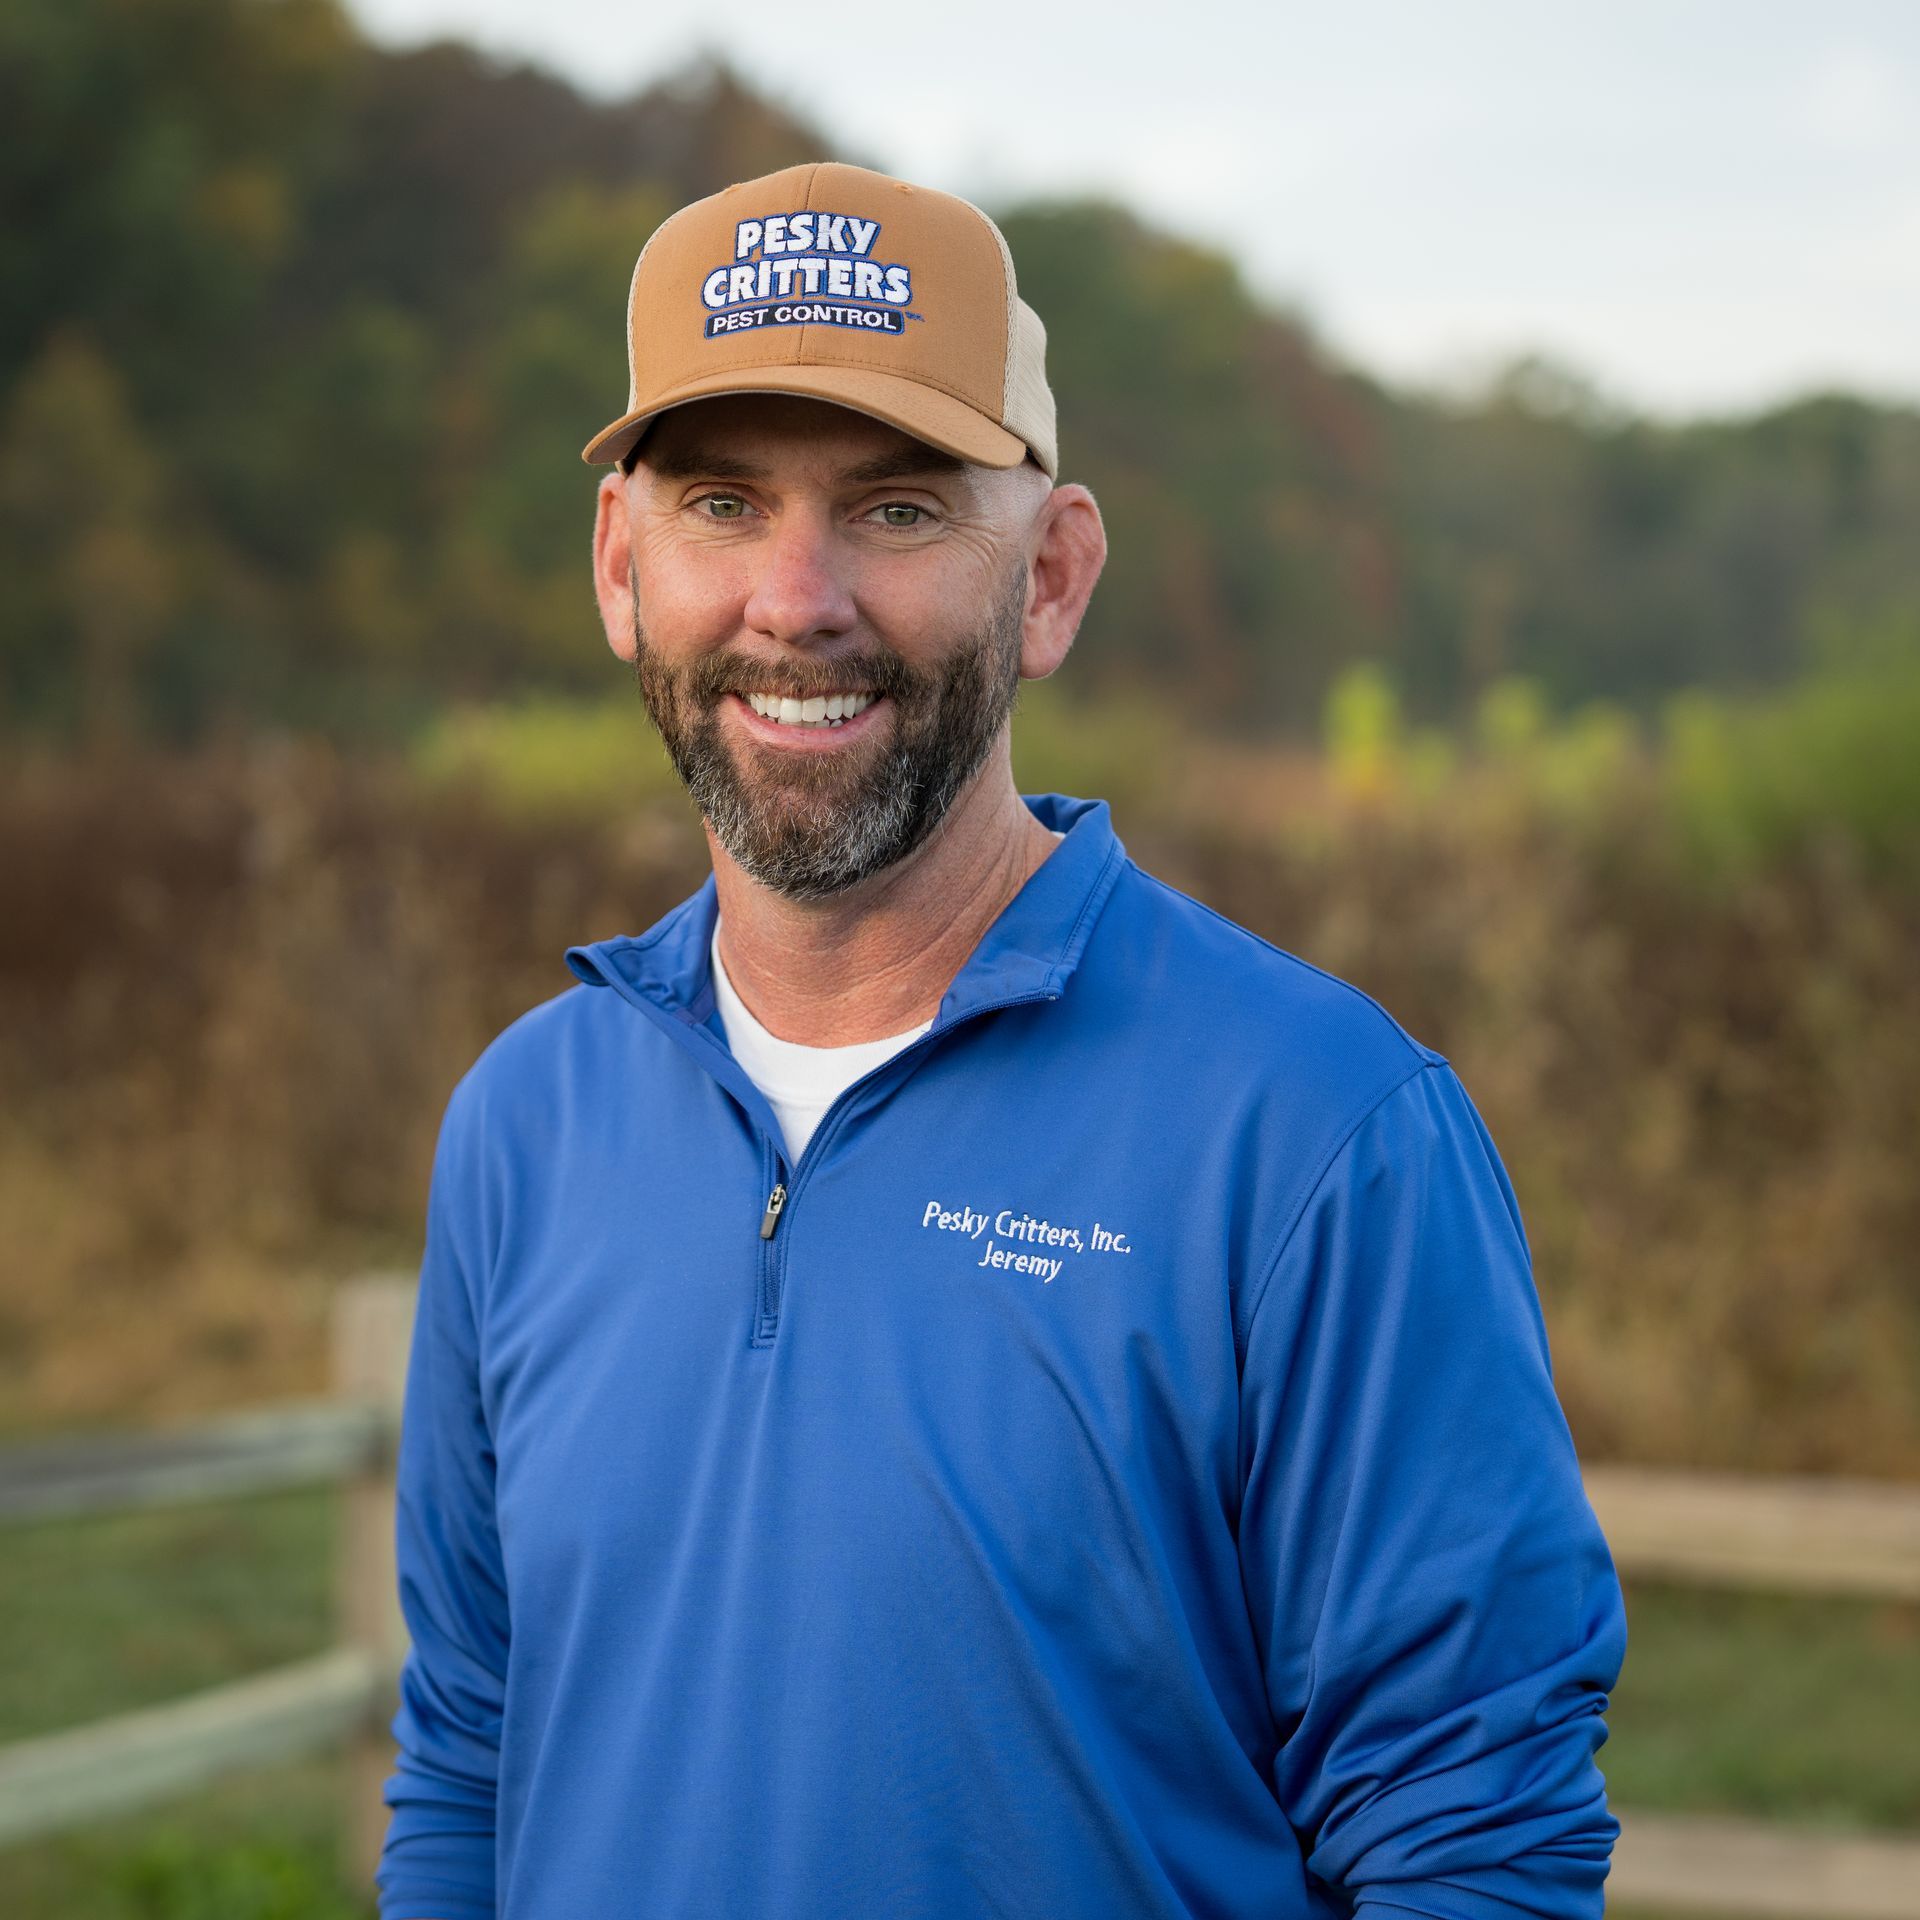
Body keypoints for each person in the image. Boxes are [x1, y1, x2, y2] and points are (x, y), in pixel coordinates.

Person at [375, 161, 1626, 1920]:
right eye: (723, 503)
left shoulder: (1319, 1138)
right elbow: (472, 1752)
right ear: (618, 568)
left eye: (896, 512)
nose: (795, 602)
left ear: (1050, 575)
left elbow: (1472, 1848)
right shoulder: (528, 1121)